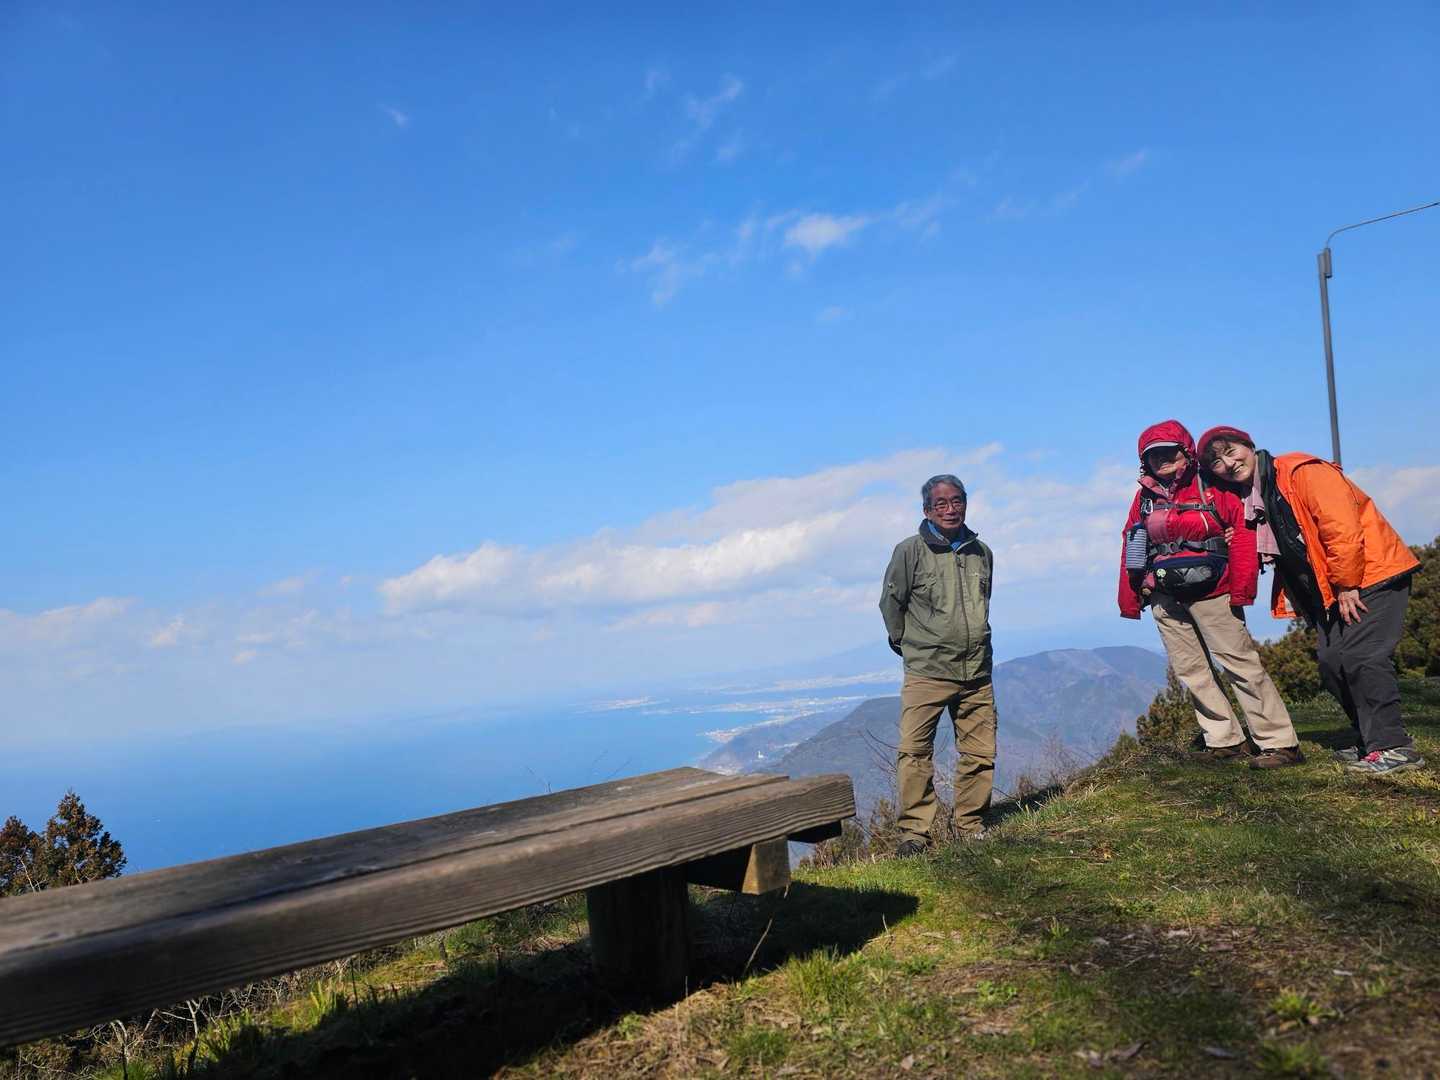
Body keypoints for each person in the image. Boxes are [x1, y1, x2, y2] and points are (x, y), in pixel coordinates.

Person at [1198, 425, 1424, 776]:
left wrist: (1347, 584)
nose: (1228, 463)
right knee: (1332, 664)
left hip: (1371, 575)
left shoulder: (1300, 471)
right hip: (1333, 589)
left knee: (1362, 657)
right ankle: (1369, 739)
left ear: (1249, 445)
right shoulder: (1255, 497)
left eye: (1231, 451)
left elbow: (1341, 527)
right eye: (1216, 462)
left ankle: (1393, 746)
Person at [1118, 420, 1303, 767]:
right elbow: (1132, 541)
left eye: (1169, 452)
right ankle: (1225, 741)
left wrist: (1242, 590)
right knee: (1191, 671)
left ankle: (1280, 743)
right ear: (1144, 462)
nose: (1161, 459)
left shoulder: (1211, 486)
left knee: (1240, 664)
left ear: (1186, 452)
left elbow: (1243, 533)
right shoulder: (1144, 498)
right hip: (1164, 596)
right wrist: (1131, 598)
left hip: (1215, 592)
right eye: (1153, 455)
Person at [880, 474, 996, 856]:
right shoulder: (909, 551)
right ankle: (915, 834)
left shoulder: (982, 553)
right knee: (914, 752)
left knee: (980, 753)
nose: (950, 509)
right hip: (927, 670)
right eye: (941, 503)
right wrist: (908, 644)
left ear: (966, 503)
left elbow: (983, 603)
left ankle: (970, 825)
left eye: (956, 501)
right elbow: (891, 603)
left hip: (976, 671)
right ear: (927, 510)